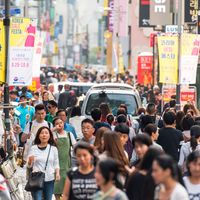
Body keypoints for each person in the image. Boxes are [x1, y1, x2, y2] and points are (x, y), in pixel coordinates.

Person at [27, 126, 60, 200]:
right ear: (38, 136)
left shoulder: (53, 149)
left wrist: (57, 173)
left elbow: (56, 163)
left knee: (48, 198)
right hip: (36, 178)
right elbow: (29, 166)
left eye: (46, 133)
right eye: (42, 133)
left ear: (50, 136)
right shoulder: (33, 148)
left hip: (50, 178)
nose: (44, 135)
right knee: (37, 198)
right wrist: (30, 161)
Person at [52, 117, 75, 200]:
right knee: (57, 187)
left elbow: (75, 147)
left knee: (67, 187)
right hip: (56, 163)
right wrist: (54, 129)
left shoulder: (69, 134)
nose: (59, 125)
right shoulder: (53, 134)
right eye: (57, 123)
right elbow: (47, 133)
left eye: (61, 122)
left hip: (66, 163)